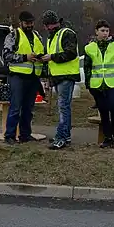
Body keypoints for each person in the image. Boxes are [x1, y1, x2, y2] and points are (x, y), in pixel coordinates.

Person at [1, 11, 45, 145]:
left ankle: (25, 135)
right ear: (20, 23)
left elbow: (42, 51)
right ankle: (10, 135)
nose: (30, 25)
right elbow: (6, 56)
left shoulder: (37, 36)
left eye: (31, 22)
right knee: (15, 107)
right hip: (18, 76)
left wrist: (41, 58)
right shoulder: (13, 35)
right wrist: (25, 57)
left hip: (33, 76)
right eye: (27, 23)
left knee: (28, 108)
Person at [40, 10, 79, 150]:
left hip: (66, 76)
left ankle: (61, 137)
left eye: (46, 25)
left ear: (51, 24)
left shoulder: (67, 33)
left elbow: (71, 53)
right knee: (63, 107)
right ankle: (65, 135)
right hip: (57, 76)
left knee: (63, 107)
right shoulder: (53, 36)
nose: (45, 28)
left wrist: (51, 57)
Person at [84, 20, 114, 148]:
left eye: (107, 31)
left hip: (113, 82)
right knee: (103, 111)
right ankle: (107, 138)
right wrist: (88, 84)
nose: (105, 33)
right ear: (96, 32)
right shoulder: (89, 48)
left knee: (113, 107)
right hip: (97, 84)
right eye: (102, 31)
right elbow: (87, 67)